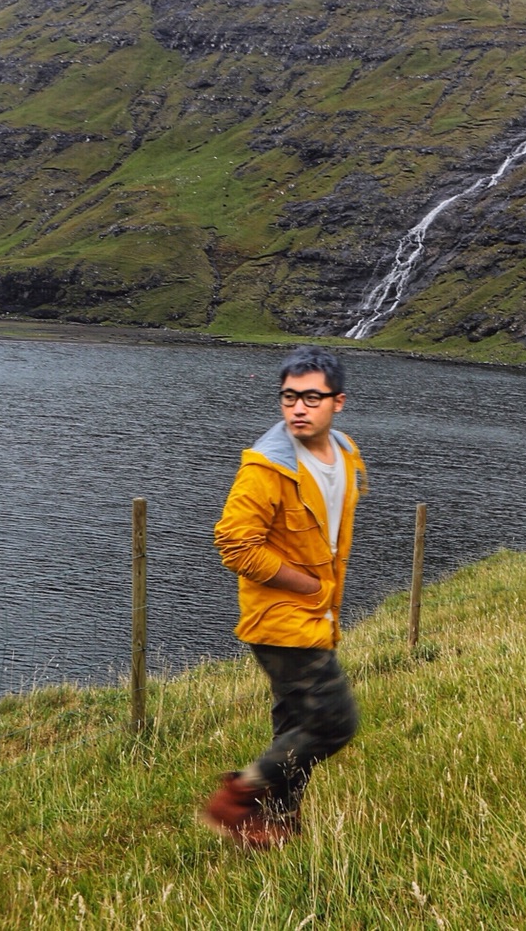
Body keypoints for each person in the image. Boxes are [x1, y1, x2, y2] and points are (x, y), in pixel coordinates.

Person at [201, 345, 367, 848]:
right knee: (335, 722)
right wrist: (309, 586)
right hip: (281, 619)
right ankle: (236, 798)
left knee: (296, 724)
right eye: (289, 397)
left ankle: (274, 824)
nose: (298, 408)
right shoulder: (266, 468)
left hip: (319, 617)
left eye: (311, 398)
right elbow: (233, 543)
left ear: (337, 402)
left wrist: (324, 597)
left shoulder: (345, 452)